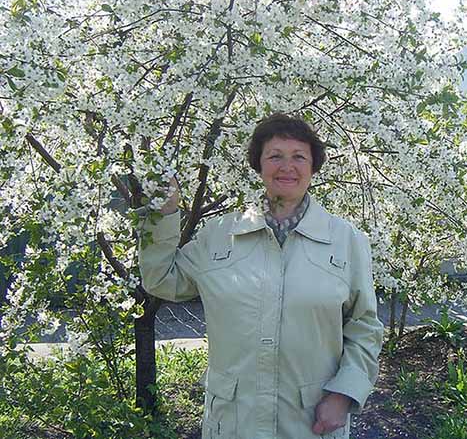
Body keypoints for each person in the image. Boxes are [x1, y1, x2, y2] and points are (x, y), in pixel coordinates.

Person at [138, 113, 383, 439]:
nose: (287, 166)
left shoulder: (346, 240)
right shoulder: (220, 234)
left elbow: (364, 326)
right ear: (259, 165)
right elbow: (161, 279)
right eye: (275, 156)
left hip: (310, 422)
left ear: (313, 167)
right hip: (234, 421)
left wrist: (344, 394)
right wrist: (165, 213)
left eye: (299, 157)